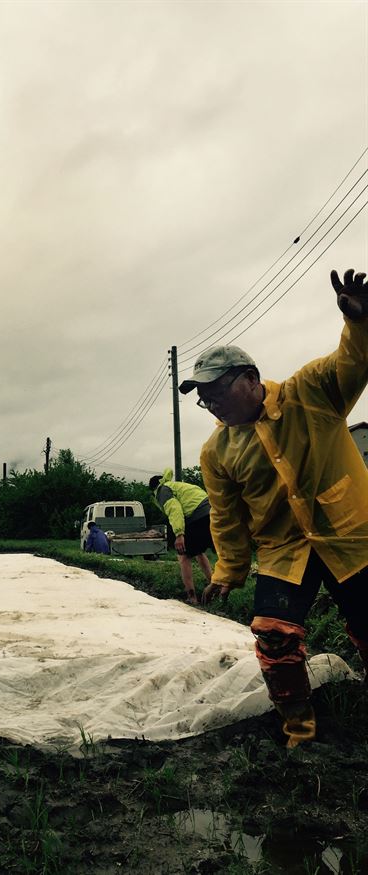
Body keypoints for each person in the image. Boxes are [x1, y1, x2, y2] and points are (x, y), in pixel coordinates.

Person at [179, 267, 368, 748]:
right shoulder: (216, 452)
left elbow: (354, 359)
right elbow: (226, 516)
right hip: (284, 549)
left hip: (352, 535)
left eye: (217, 391)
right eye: (203, 398)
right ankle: (298, 730)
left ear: (250, 379)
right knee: (274, 636)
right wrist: (229, 568)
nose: (211, 403)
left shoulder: (312, 392)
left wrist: (360, 322)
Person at [149, 468, 213, 605]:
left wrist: (179, 534)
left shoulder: (162, 491)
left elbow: (174, 509)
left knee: (183, 555)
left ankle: (192, 596)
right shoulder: (177, 486)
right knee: (199, 552)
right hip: (211, 513)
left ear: (153, 489)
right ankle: (214, 585)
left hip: (195, 515)